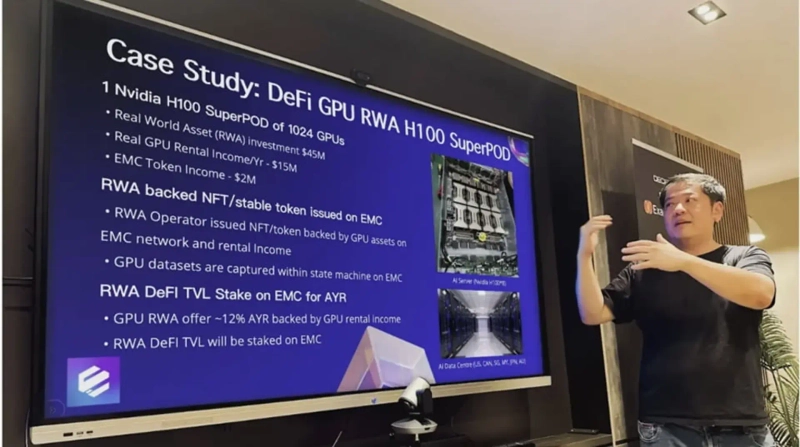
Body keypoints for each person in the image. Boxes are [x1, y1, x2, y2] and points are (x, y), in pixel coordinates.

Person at [575, 173, 776, 447]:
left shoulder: (743, 257)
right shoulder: (644, 269)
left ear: (717, 210)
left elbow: (761, 294)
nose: (678, 209)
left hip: (741, 426)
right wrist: (584, 255)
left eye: (689, 200)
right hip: (666, 427)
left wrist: (683, 262)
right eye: (669, 204)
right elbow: (593, 313)